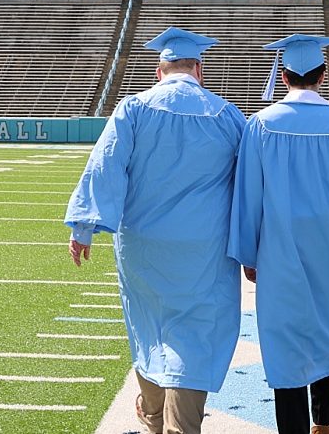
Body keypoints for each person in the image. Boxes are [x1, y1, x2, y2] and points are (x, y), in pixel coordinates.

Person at [65, 26, 246, 434]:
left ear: (158, 69)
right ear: (199, 68)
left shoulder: (134, 108)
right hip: (206, 244)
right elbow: (249, 182)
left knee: (147, 322)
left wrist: (84, 226)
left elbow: (105, 166)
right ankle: (183, 426)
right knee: (196, 333)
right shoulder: (226, 113)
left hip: (143, 241)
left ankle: (151, 414)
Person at [227, 34, 329, 434]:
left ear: (283, 77)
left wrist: (249, 254)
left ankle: (293, 426)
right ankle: (326, 420)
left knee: (284, 338)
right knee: (328, 330)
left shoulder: (260, 126)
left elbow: (249, 197)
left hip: (278, 253)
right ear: (323, 75)